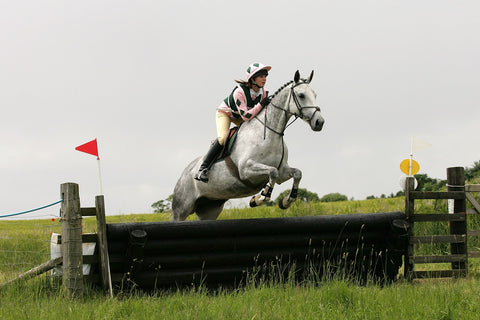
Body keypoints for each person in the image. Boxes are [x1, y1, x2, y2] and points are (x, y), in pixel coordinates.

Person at [194, 62, 272, 182]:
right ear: (253, 78)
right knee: (222, 138)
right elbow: (246, 116)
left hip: (241, 115)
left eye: (265, 76)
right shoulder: (239, 92)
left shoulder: (264, 93)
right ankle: (203, 169)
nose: (264, 79)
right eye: (261, 76)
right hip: (225, 114)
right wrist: (261, 104)